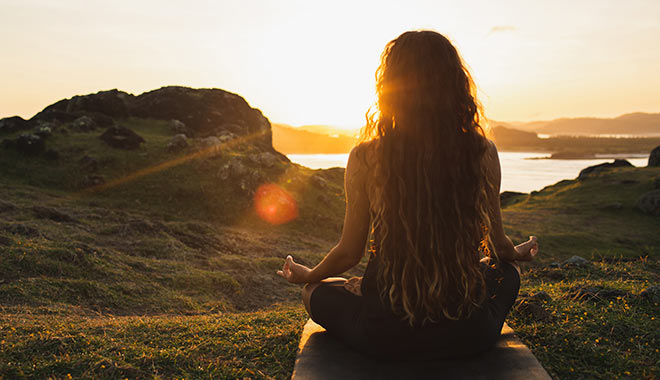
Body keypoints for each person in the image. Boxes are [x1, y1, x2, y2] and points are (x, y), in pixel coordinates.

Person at [277, 30, 539, 359]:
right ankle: (380, 294)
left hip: (382, 333)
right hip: (468, 333)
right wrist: (519, 252)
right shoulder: (481, 152)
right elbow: (500, 249)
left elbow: (349, 252)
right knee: (508, 272)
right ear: (455, 84)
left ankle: (373, 294)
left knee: (313, 293)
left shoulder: (366, 156)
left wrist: (310, 275)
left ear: (390, 87)